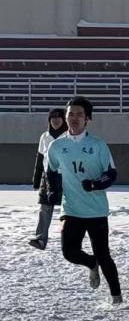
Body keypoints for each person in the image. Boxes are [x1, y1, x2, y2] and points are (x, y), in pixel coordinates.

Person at [44, 96, 123, 305]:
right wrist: (53, 190)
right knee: (69, 253)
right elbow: (50, 171)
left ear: (88, 118)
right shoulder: (56, 146)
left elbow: (111, 174)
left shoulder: (97, 144)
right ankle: (91, 263)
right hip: (71, 209)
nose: (74, 118)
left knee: (104, 255)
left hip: (96, 210)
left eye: (79, 114)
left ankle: (117, 297)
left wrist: (95, 184)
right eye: (71, 114)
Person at [28, 107, 68, 250]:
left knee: (68, 208)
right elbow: (40, 159)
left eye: (58, 118)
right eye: (52, 118)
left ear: (64, 120)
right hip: (47, 177)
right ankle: (40, 239)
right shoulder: (44, 137)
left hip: (65, 176)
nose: (55, 120)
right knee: (45, 208)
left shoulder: (69, 136)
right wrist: (36, 179)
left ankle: (70, 239)